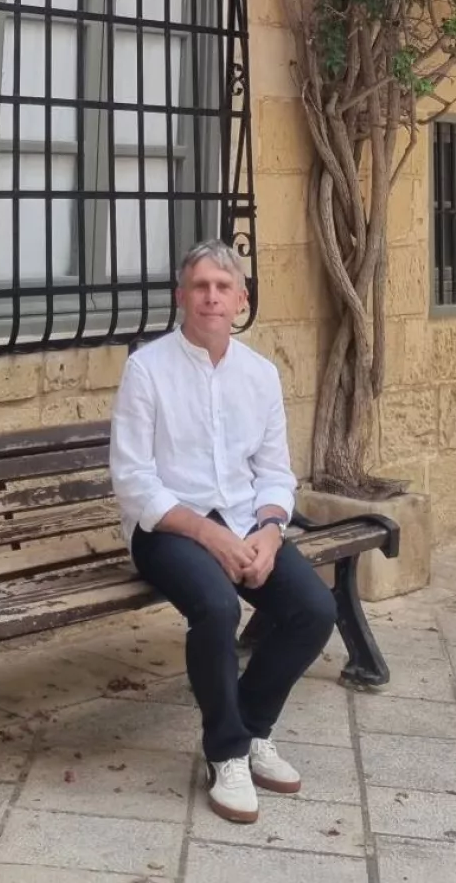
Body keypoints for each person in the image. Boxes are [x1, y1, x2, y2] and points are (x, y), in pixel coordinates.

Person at [108, 238, 337, 823]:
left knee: (314, 610)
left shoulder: (260, 375)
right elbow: (134, 480)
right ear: (181, 297)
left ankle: (253, 727)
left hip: (243, 520)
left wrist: (270, 532)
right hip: (167, 529)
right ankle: (226, 752)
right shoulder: (147, 370)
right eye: (200, 286)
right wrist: (210, 538)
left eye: (223, 287)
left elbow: (275, 472)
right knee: (217, 607)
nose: (211, 297)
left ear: (242, 300)